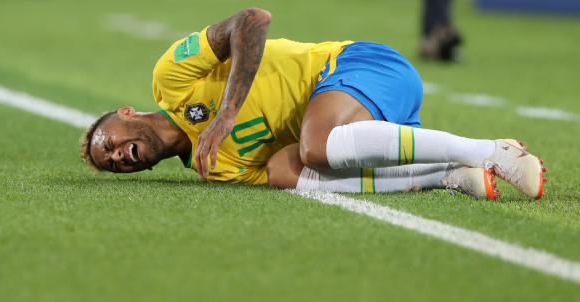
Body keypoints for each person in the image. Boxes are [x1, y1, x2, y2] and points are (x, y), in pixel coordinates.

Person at [79, 8, 546, 200]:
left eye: (111, 144)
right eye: (114, 164)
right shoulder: (213, 167)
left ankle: (488, 152)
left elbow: (252, 20)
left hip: (364, 66)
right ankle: (446, 174)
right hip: (367, 125)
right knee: (288, 172)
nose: (118, 156)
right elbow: (302, 171)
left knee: (317, 144)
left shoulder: (170, 79)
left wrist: (224, 115)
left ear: (125, 113)